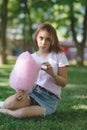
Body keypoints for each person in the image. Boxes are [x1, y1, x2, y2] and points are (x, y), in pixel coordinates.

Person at [0, 22, 69, 118]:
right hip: (32, 93)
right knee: (9, 103)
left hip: (49, 99)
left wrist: (53, 74)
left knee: (20, 114)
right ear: (36, 37)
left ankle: (5, 111)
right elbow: (24, 80)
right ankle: (5, 106)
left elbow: (64, 83)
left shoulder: (59, 55)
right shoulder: (31, 58)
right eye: (41, 38)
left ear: (52, 40)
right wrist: (23, 92)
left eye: (48, 39)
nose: (43, 42)